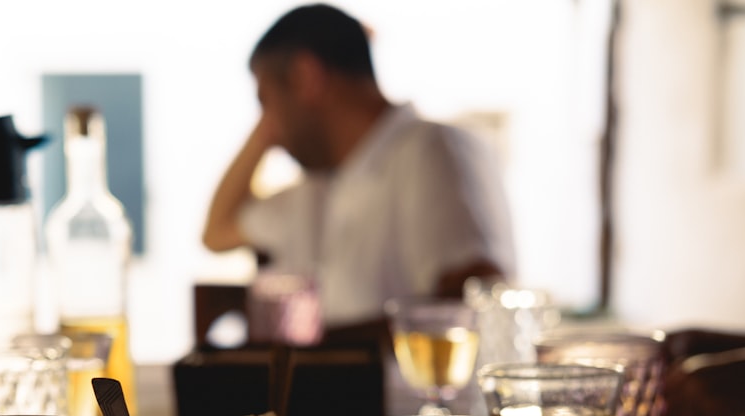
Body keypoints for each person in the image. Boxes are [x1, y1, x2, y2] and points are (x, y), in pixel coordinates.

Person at [202, 3, 516, 339]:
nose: (268, 127)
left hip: (414, 393)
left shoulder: (432, 150)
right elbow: (216, 233)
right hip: (333, 391)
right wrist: (267, 131)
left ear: (307, 76)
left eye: (265, 101)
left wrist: (318, 353)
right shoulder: (316, 187)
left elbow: (472, 302)